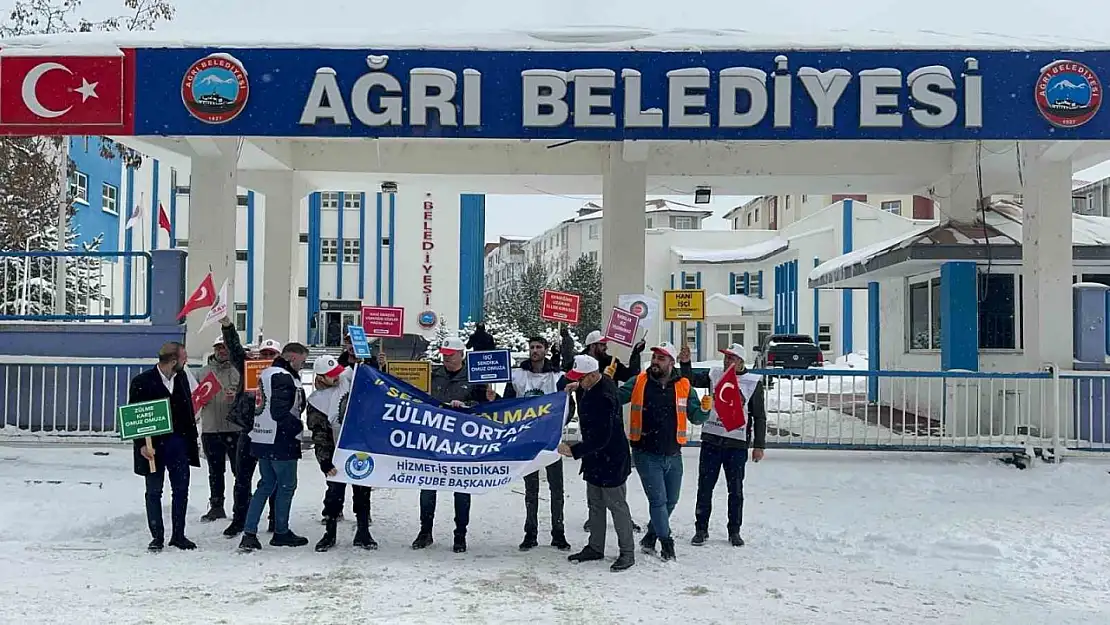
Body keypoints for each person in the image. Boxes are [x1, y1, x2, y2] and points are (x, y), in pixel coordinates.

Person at [615, 341, 709, 561]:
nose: (656, 362)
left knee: (671, 501)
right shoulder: (639, 381)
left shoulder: (684, 386)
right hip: (646, 452)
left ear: (671, 363)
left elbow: (695, 417)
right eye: (655, 357)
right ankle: (667, 543)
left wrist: (705, 410)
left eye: (661, 358)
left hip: (673, 454)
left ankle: (650, 536)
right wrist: (605, 382)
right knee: (657, 501)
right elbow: (613, 397)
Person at [411, 337, 496, 554]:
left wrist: (476, 403)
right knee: (428, 487)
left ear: (461, 354)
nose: (446, 357)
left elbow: (485, 408)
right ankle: (425, 531)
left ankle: (460, 534)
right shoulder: (433, 374)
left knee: (461, 489)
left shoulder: (474, 377)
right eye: (444, 354)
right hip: (433, 440)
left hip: (461, 443)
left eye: (450, 354)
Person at [679, 343, 766, 547]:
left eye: (732, 358)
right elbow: (689, 381)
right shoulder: (714, 375)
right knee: (705, 487)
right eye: (726, 357)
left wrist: (759, 445)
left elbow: (759, 416)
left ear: (741, 362)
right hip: (712, 439)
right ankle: (701, 529)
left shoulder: (752, 382)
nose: (727, 361)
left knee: (735, 489)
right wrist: (685, 364)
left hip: (736, 443)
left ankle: (734, 530)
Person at [560, 355, 635, 572]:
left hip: (611, 458)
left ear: (593, 375)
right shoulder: (592, 384)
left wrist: (574, 450)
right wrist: (576, 385)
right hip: (595, 459)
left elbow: (602, 438)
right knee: (595, 503)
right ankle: (595, 546)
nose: (578, 382)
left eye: (581, 378)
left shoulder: (604, 397)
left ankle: (627, 553)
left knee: (617, 506)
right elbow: (581, 386)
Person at [238, 342, 311, 552]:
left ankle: (249, 531)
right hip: (281, 440)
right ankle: (281, 531)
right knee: (286, 486)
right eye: (302, 361)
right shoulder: (283, 377)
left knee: (266, 484)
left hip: (263, 437)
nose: (302, 366)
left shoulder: (267, 373)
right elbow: (280, 411)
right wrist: (297, 426)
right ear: (292, 358)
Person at [129, 342, 200, 551]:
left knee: (181, 490)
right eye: (184, 357)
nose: (186, 361)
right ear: (174, 360)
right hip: (153, 445)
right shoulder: (143, 381)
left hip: (178, 444)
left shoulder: (182, 378)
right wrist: (142, 444)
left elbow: (187, 408)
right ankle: (157, 536)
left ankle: (178, 535)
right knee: (154, 491)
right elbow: (135, 416)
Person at [503, 336, 570, 552]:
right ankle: (530, 533)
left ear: (546, 350)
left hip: (551, 441)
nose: (534, 350)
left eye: (539, 347)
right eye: (532, 347)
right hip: (527, 440)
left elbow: (569, 406)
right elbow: (507, 404)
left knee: (556, 488)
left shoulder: (558, 377)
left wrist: (558, 424)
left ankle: (558, 533)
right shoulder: (518, 376)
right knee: (530, 489)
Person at [307, 355, 378, 552]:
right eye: (331, 375)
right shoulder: (316, 401)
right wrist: (325, 461)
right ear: (321, 378)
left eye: (337, 372)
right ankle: (330, 532)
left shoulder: (347, 380)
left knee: (362, 492)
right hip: (336, 452)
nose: (337, 377)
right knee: (334, 495)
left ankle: (363, 531)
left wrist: (362, 355)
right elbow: (319, 433)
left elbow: (364, 369)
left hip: (358, 448)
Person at [221, 320, 276, 537]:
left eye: (271, 354)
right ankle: (239, 519)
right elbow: (235, 350)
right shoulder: (249, 368)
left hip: (272, 434)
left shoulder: (283, 374)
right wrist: (227, 327)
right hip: (248, 431)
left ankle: (275, 519)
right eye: (264, 353)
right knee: (242, 478)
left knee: (273, 479)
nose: (266, 357)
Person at [195, 335, 242, 522]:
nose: (222, 351)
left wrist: (236, 396)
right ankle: (216, 506)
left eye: (225, 347)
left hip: (235, 428)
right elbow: (193, 398)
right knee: (215, 471)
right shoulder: (202, 372)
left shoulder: (240, 371)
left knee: (239, 471)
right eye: (218, 348)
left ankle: (241, 506)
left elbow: (252, 395)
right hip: (211, 429)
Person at [577, 330, 646, 383]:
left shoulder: (611, 362)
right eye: (602, 345)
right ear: (592, 346)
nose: (606, 347)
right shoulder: (578, 363)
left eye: (605, 344)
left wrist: (636, 353)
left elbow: (630, 375)